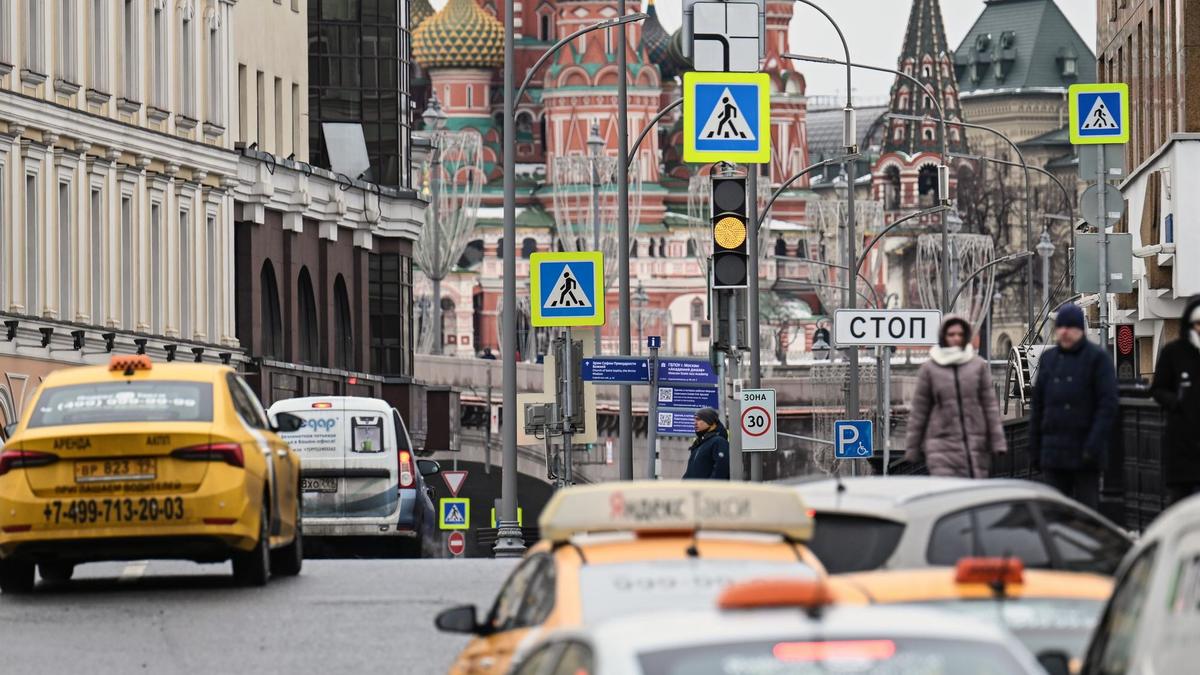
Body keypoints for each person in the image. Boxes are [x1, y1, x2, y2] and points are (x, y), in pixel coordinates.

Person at [1029, 303, 1118, 510]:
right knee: (1055, 512)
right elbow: (1038, 407)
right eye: (1061, 328)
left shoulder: (1097, 359)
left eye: (1071, 328)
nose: (1065, 332)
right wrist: (1035, 449)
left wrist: (1093, 446)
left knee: (1086, 512)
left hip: (1085, 453)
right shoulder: (1049, 359)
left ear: (1081, 331)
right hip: (1053, 453)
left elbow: (1107, 405)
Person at [904, 317, 1007, 478]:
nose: (956, 338)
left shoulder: (977, 365)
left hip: (975, 445)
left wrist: (998, 441)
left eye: (960, 334)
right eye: (951, 334)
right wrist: (912, 448)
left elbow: (990, 406)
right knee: (949, 492)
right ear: (943, 336)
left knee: (972, 495)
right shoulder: (930, 369)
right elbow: (919, 411)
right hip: (941, 444)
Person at [1150, 296, 1200, 506]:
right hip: (1183, 446)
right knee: (1181, 507)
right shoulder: (1174, 353)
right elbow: (1158, 388)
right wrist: (1177, 401)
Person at [683, 408, 730, 480]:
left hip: (708, 490)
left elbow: (720, 470)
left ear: (711, 422)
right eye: (694, 420)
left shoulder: (719, 442)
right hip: (693, 490)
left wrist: (709, 489)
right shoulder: (699, 444)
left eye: (698, 419)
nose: (695, 423)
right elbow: (690, 472)